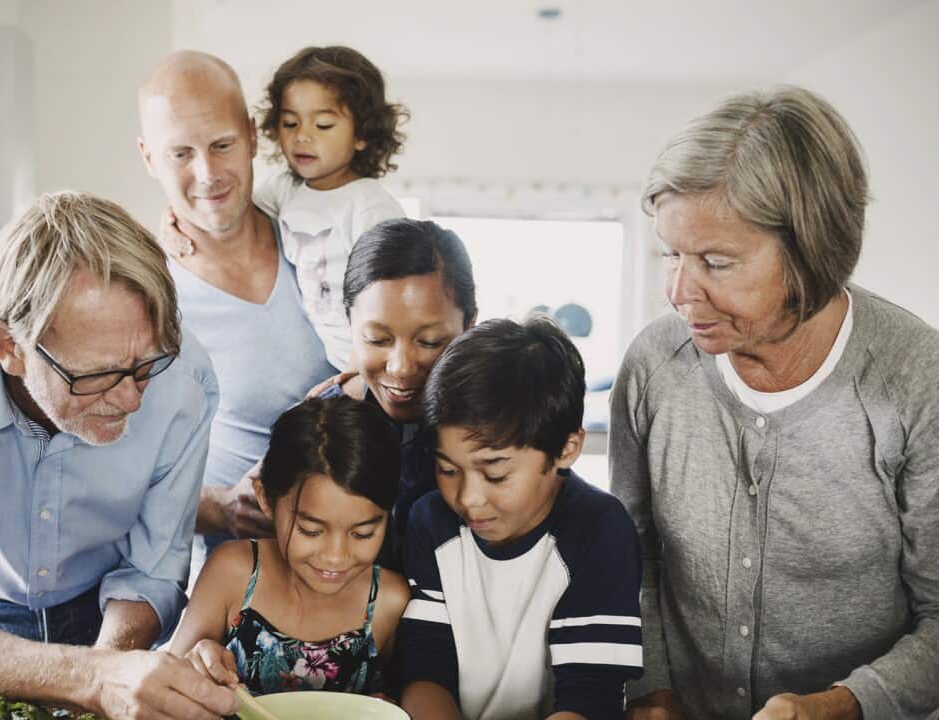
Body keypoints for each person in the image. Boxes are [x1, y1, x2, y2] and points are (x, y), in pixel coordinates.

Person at [610, 85, 939, 720]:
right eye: (670, 254)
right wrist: (652, 691)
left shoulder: (916, 380)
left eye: (716, 262)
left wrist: (836, 707)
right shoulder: (655, 367)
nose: (680, 292)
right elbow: (631, 552)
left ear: (810, 249)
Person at [0, 192, 239, 720]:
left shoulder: (186, 378)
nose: (130, 399)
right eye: (97, 376)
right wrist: (93, 678)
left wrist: (106, 678)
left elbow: (152, 571)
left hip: (112, 617)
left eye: (145, 365)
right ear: (9, 347)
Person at [137, 51, 337, 564]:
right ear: (149, 158)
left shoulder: (318, 234)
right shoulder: (146, 298)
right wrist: (222, 507)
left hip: (360, 569)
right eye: (180, 154)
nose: (207, 174)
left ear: (252, 136)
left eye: (222, 145)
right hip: (239, 590)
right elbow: (112, 482)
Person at [399, 317, 643, 720]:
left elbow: (589, 700)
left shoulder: (599, 531)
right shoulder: (431, 521)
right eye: (447, 469)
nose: (469, 499)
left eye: (496, 473)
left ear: (566, 449)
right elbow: (426, 674)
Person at [166, 45, 408, 372]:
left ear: (362, 134)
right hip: (336, 365)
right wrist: (172, 221)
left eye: (323, 125)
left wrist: (364, 368)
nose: (302, 137)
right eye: (290, 123)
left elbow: (398, 299)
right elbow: (227, 206)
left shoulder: (368, 207)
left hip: (377, 366)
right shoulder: (286, 189)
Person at [168, 396, 410, 696]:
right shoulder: (233, 573)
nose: (335, 556)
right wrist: (198, 660)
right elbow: (169, 681)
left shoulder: (388, 602)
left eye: (361, 534)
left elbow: (408, 698)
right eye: (311, 530)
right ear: (265, 498)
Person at [321, 218, 478, 571]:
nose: (402, 368)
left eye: (430, 342)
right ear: (349, 323)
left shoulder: (498, 426)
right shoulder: (319, 425)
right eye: (377, 340)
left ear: (470, 326)